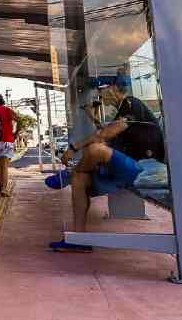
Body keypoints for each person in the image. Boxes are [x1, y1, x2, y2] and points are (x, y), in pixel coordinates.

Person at [48, 73, 165, 252]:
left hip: (146, 168)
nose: (100, 96)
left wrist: (74, 147)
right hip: (127, 169)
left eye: (101, 90)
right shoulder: (122, 110)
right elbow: (105, 133)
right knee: (80, 180)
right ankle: (79, 239)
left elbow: (106, 134)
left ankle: (69, 174)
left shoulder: (132, 104)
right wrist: (92, 117)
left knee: (95, 150)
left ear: (114, 88)